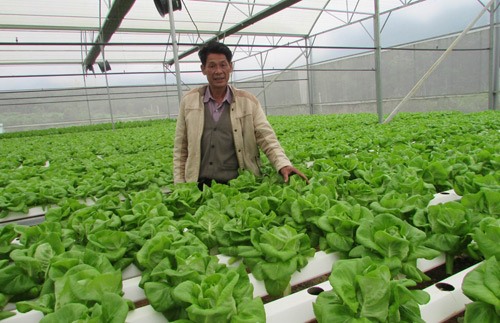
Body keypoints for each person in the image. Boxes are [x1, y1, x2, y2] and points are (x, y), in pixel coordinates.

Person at [173, 40, 308, 189]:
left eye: (223, 65)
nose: (218, 71)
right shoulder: (189, 102)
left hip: (240, 185)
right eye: (212, 66)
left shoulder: (248, 102)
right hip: (199, 186)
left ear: (231, 67)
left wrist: (283, 164)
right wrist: (179, 185)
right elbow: (181, 148)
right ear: (203, 69)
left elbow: (266, 137)